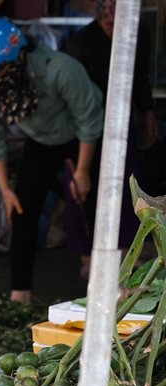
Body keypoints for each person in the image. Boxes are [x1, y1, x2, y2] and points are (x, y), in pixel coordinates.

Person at [0, 18, 104, 304]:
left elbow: (89, 119)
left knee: (92, 204)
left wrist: (81, 171)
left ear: (18, 56)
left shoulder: (61, 70)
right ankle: (20, 294)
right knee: (21, 209)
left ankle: (105, 282)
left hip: (81, 137)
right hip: (41, 142)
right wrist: (5, 189)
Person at [64, 0, 156, 278]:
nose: (113, 29)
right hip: (83, 122)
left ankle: (126, 252)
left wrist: (147, 112)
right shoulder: (80, 44)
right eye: (108, 24)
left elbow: (140, 76)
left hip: (121, 118)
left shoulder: (137, 34)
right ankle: (87, 257)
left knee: (128, 183)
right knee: (81, 183)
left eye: (118, 25)